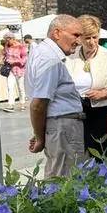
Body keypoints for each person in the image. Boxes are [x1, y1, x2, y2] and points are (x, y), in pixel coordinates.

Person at [25, 15, 85, 178]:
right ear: (57, 33)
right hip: (63, 126)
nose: (79, 41)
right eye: (75, 35)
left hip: (60, 126)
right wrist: (39, 136)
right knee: (64, 180)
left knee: (62, 177)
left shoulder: (43, 54)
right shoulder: (49, 59)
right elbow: (38, 104)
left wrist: (41, 132)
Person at [66, 15, 107, 157]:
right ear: (79, 38)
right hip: (76, 110)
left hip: (102, 110)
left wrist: (103, 94)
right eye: (87, 38)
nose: (92, 42)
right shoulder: (70, 56)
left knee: (101, 150)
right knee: (79, 151)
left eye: (95, 37)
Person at [1, 32, 28, 111]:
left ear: (12, 39)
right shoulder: (7, 47)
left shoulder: (21, 46)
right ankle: (11, 104)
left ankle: (22, 103)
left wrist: (15, 61)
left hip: (20, 69)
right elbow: (4, 54)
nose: (6, 42)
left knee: (21, 87)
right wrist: (3, 59)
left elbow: (25, 58)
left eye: (7, 40)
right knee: (10, 87)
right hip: (10, 70)